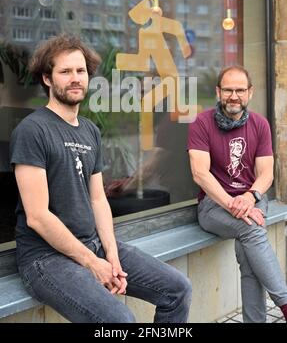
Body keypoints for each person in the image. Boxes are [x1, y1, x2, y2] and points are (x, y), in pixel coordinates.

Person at [10, 34, 192, 323]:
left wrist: (111, 255)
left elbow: (98, 199)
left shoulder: (89, 131)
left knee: (177, 289)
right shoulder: (33, 130)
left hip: (93, 244)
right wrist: (92, 262)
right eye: (65, 71)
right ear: (47, 78)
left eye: (80, 71)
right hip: (45, 258)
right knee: (119, 320)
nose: (75, 78)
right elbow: (37, 216)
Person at [188, 65, 287, 323]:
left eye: (240, 90)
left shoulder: (259, 125)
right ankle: (285, 304)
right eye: (228, 90)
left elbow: (266, 174)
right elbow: (200, 174)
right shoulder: (202, 123)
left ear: (250, 93)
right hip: (213, 206)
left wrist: (250, 197)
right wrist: (233, 203)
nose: (234, 96)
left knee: (248, 252)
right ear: (218, 92)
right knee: (253, 229)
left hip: (252, 199)